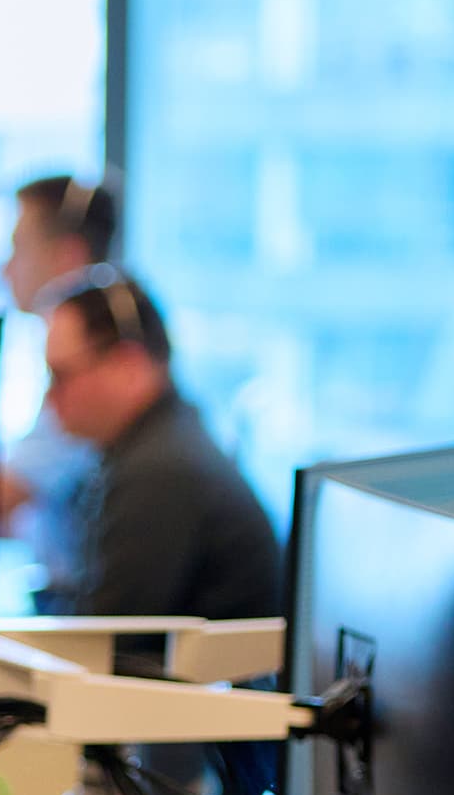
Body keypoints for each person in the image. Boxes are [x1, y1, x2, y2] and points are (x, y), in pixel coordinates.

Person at [34, 265, 281, 622]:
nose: (48, 399)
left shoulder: (159, 473)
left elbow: (102, 639)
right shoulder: (162, 440)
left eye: (60, 376)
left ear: (129, 367)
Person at [0, 170, 118, 602]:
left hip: (79, 608)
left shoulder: (90, 366)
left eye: (18, 248)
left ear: (67, 256)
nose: (5, 268)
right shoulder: (69, 350)